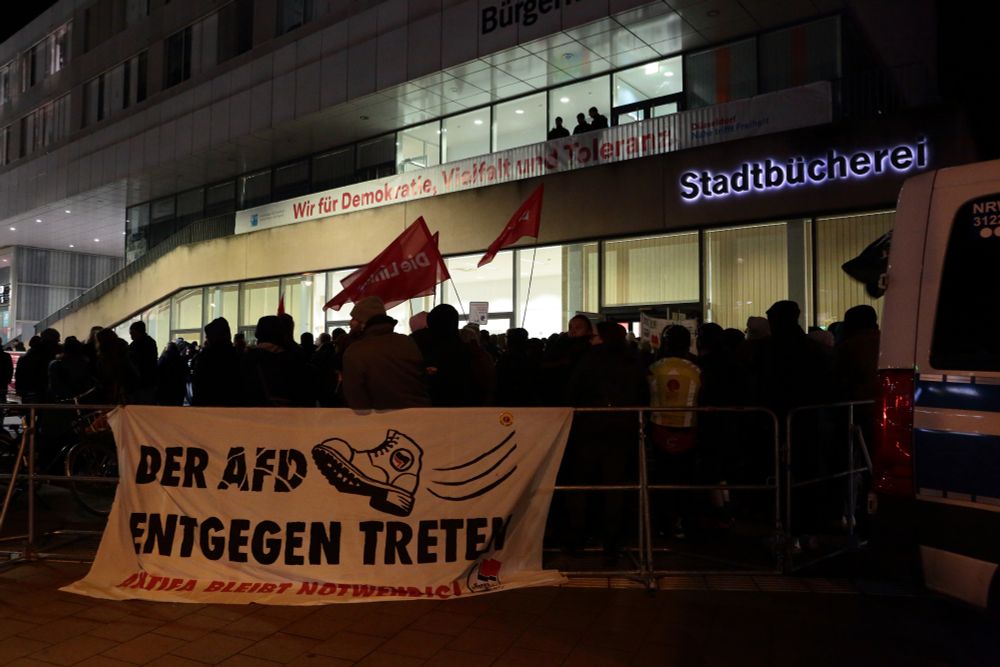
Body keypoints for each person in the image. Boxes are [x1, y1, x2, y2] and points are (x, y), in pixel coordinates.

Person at [341, 296, 431, 410]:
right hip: (420, 416)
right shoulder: (407, 342)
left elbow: (356, 400)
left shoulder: (355, 351)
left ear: (363, 323)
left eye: (354, 318)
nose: (350, 323)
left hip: (382, 421)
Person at [191, 317, 243, 407]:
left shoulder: (205, 357)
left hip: (207, 407)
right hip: (234, 407)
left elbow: (198, 387)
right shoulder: (238, 355)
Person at [128, 321, 159, 404]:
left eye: (132, 333)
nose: (131, 336)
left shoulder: (134, 345)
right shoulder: (151, 342)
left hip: (139, 384)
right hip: (150, 382)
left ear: (138, 332)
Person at [0, 337, 12, 403]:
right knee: (2, 401)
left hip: (3, 382)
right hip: (3, 383)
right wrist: (8, 380)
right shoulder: (6, 356)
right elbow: (10, 370)